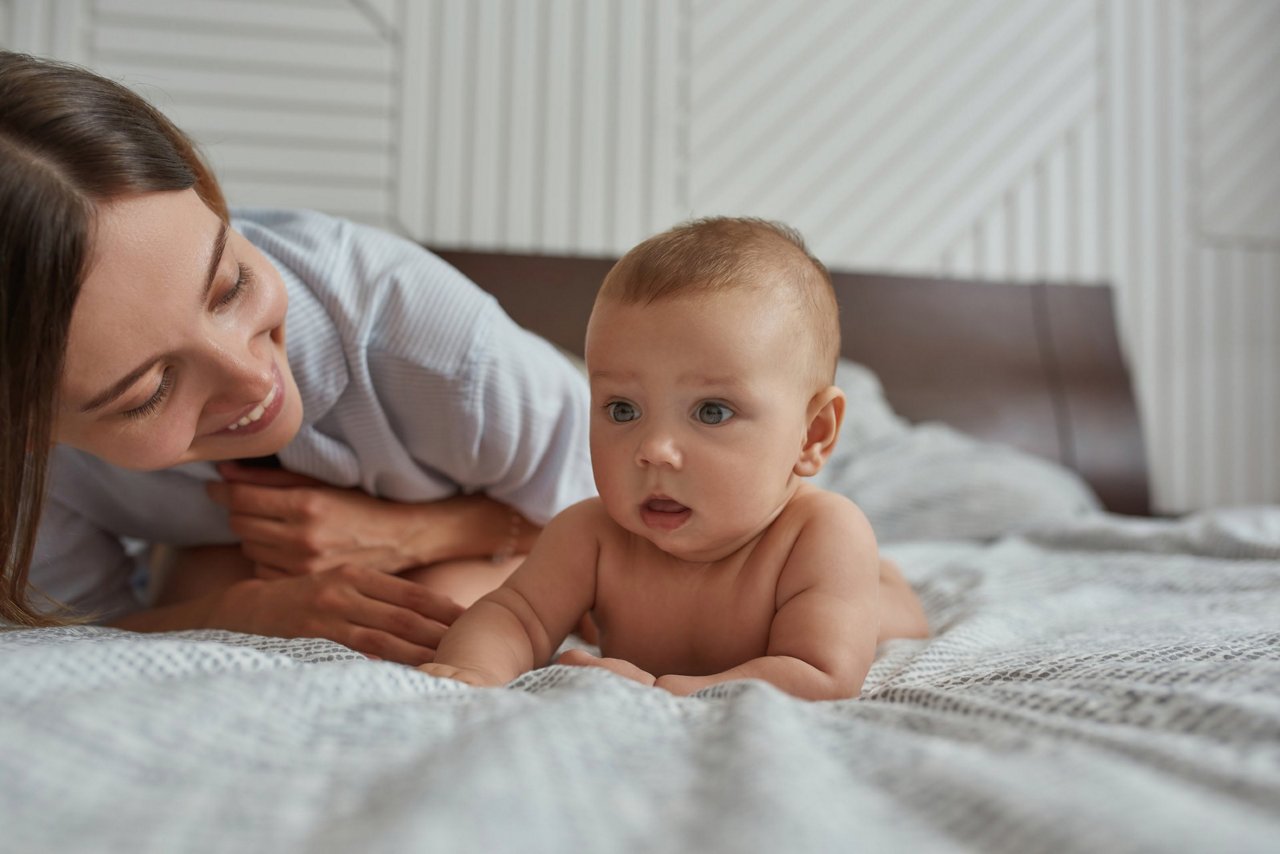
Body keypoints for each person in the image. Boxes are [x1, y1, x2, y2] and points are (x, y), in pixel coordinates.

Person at [0, 51, 596, 664]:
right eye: (149, 391)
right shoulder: (21, 461)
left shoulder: (436, 344)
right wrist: (241, 615)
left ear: (211, 201)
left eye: (230, 287)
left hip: (542, 489)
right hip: (242, 549)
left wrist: (414, 535)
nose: (255, 378)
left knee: (445, 622)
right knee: (209, 590)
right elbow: (70, 636)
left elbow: (646, 524)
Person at [420, 218, 929, 700]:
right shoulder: (590, 534)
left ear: (811, 435)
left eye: (711, 411)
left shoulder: (819, 535)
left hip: (847, 592)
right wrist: (475, 670)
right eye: (623, 409)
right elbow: (513, 615)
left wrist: (661, 690)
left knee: (886, 615)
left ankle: (884, 582)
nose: (653, 449)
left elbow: (822, 676)